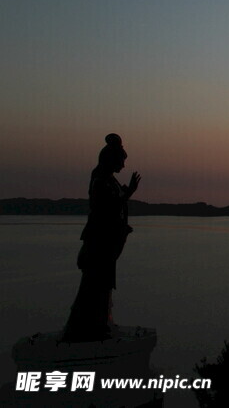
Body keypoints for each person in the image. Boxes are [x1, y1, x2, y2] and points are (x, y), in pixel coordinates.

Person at [62, 134, 141, 342]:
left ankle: (100, 324)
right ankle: (88, 328)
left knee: (102, 285)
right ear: (112, 159)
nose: (124, 165)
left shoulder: (107, 179)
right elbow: (104, 209)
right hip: (99, 244)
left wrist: (124, 196)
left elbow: (114, 205)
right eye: (121, 161)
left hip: (105, 243)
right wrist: (127, 194)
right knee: (94, 286)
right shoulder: (100, 180)